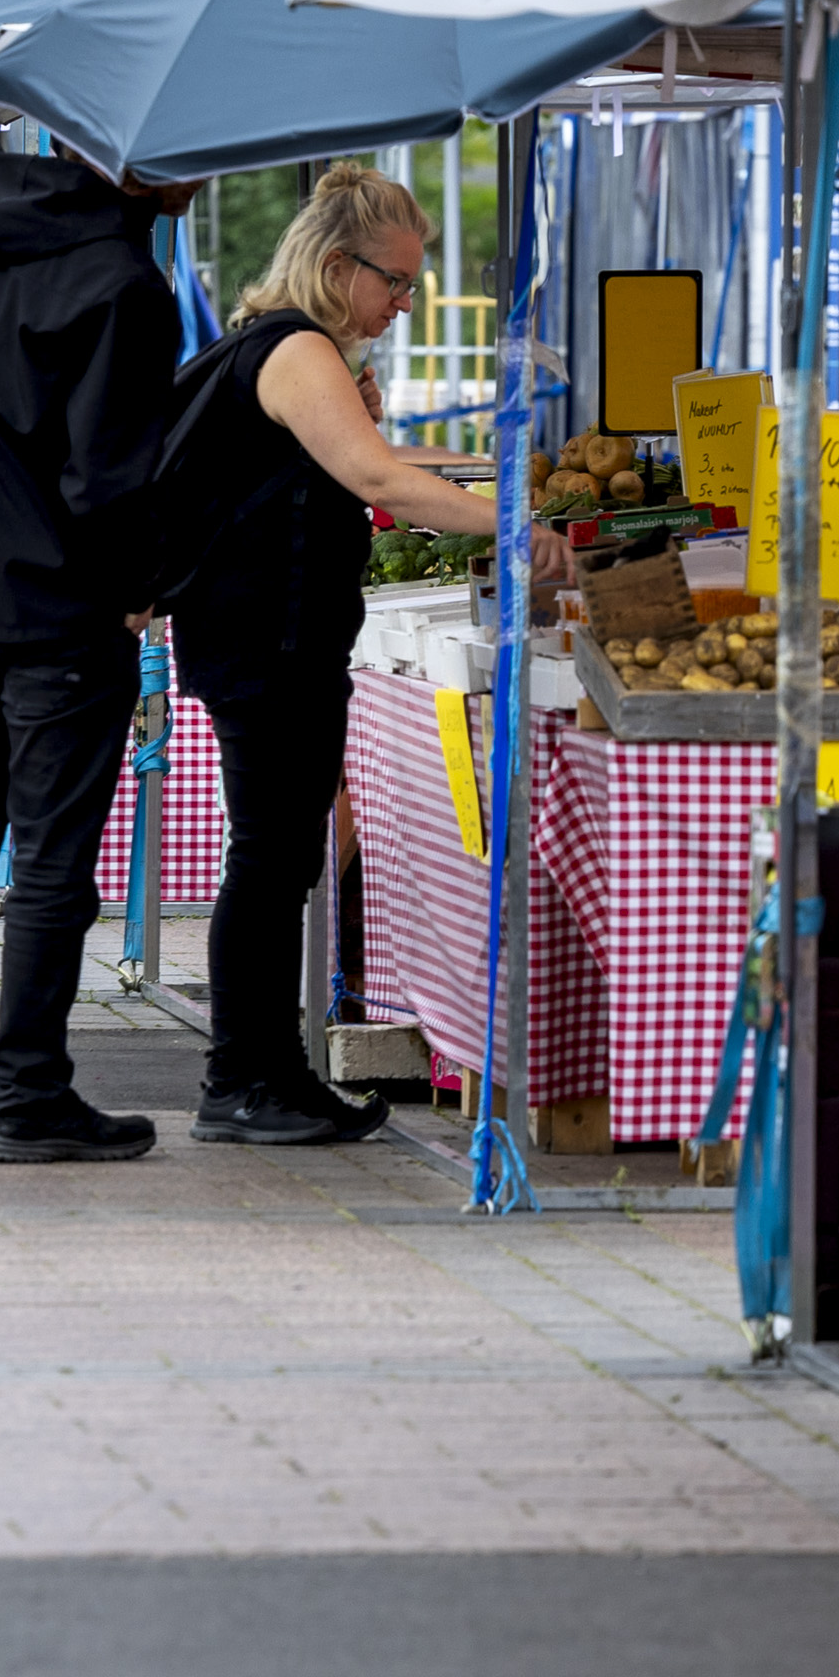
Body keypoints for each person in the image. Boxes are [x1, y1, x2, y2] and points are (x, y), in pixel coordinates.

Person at [143, 165, 542, 1145]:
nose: (404, 305)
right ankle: (244, 1079)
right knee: (271, 859)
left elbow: (351, 473)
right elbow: (378, 478)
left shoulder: (289, 349)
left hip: (273, 636)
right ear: (334, 265)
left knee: (277, 860)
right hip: (263, 638)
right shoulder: (294, 351)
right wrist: (521, 525)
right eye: (394, 281)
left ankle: (262, 1072)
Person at [0, 135, 192, 1164]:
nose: (210, 174)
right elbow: (107, 481)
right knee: (52, 861)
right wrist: (141, 587)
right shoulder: (122, 281)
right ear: (142, 161)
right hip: (58, 602)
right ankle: (27, 1093)